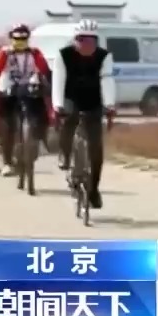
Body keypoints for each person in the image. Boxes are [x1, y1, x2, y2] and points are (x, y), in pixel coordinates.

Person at [53, 19, 117, 209]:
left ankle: (93, 189)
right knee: (69, 120)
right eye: (82, 39)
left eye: (91, 40)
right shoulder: (63, 55)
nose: (87, 44)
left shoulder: (104, 56)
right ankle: (65, 154)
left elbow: (107, 80)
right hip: (70, 98)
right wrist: (57, 105)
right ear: (75, 39)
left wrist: (109, 104)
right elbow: (58, 80)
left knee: (96, 148)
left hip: (93, 100)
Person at [0, 24, 52, 177]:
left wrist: (48, 84)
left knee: (41, 112)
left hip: (29, 86)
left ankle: (39, 140)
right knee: (8, 124)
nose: (20, 41)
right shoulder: (5, 53)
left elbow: (44, 69)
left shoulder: (35, 53)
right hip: (9, 86)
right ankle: (7, 162)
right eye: (17, 38)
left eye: (23, 38)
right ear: (11, 38)